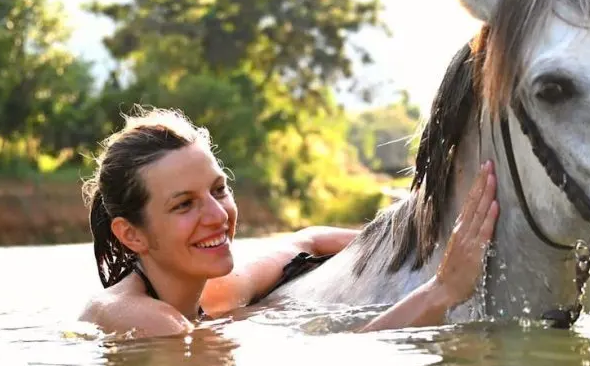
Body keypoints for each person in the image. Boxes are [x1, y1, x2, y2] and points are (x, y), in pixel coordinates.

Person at [77, 105, 499, 338]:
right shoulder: (139, 317)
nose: (218, 215)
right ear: (131, 234)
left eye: (219, 189)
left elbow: (308, 242)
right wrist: (442, 290)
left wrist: (427, 240)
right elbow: (358, 349)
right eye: (184, 205)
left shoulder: (217, 291)